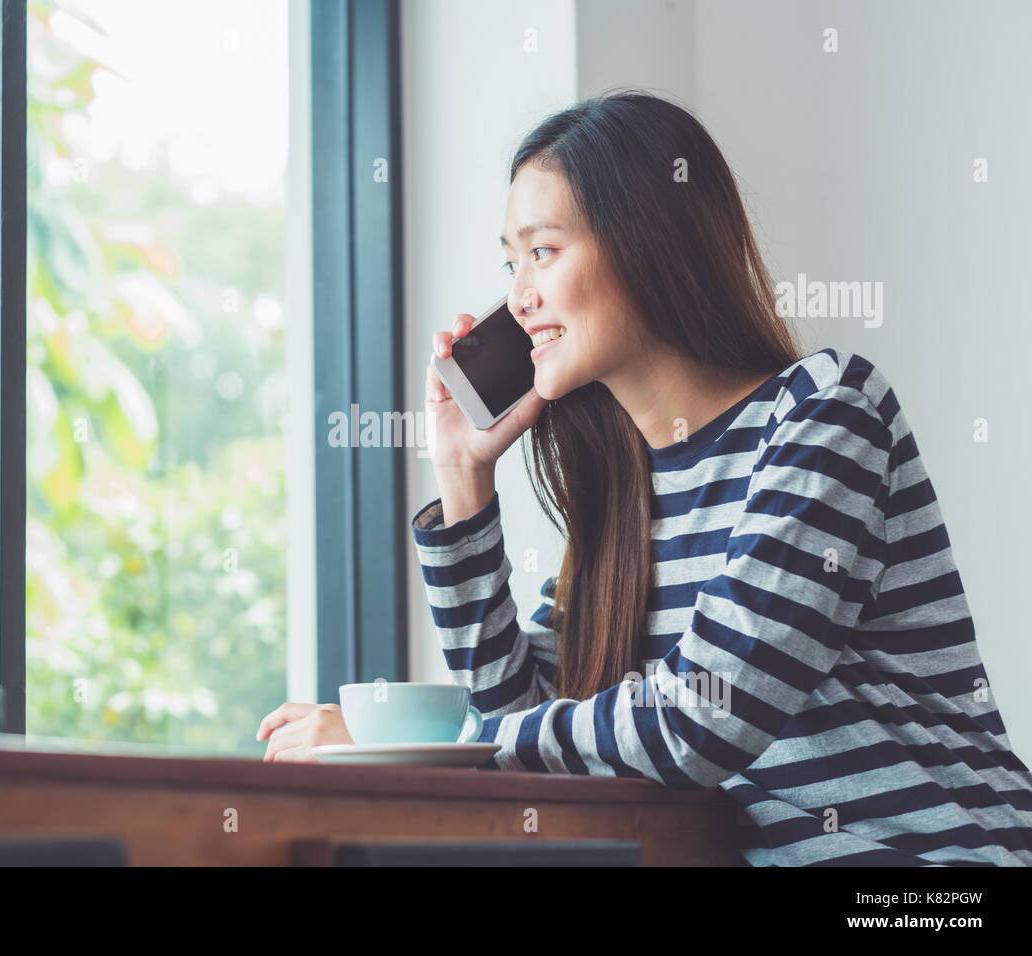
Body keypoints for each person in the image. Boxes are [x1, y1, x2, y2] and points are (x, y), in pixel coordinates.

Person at [256, 90, 1032, 866]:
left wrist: (416, 746)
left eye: (544, 251)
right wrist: (464, 479)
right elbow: (533, 733)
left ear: (648, 242)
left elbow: (701, 719)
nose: (518, 297)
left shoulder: (825, 414)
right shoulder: (624, 502)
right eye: (510, 260)